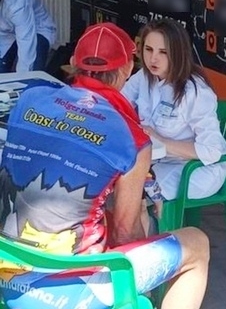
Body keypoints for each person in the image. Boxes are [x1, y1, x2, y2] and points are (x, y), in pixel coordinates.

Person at [0, 22, 210, 309]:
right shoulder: (132, 138)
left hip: (6, 268)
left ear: (73, 62)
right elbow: (126, 233)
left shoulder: (29, 100)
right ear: (127, 69)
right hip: (69, 291)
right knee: (196, 243)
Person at [121, 18, 226, 202]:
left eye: (163, 52)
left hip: (195, 168)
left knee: (138, 190)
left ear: (178, 53)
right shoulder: (144, 77)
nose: (153, 58)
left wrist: (161, 141)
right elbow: (118, 104)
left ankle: (153, 220)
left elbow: (212, 151)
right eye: (148, 49)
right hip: (157, 160)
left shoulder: (195, 92)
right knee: (117, 179)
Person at [0, 0, 57, 72]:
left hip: (36, 29)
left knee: (32, 71)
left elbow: (26, 42)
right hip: (6, 33)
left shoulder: (17, 2)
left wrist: (24, 76)